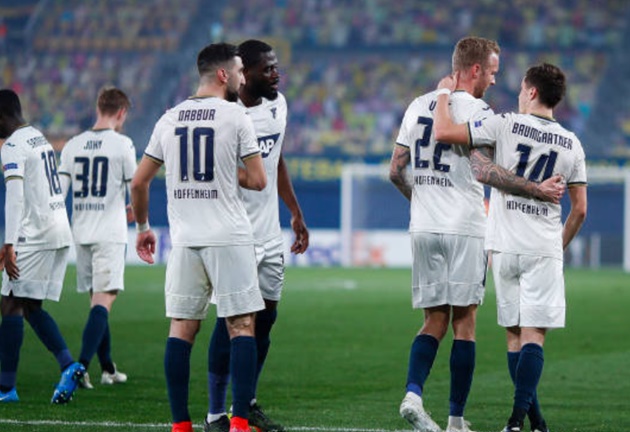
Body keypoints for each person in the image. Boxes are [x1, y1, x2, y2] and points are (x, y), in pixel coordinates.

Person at [389, 38, 565, 432]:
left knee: (433, 318)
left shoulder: (418, 104)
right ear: (473, 71)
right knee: (464, 323)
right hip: (465, 227)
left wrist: (422, 201)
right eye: (491, 72)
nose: (493, 80)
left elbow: (395, 170)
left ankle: (413, 394)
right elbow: (485, 172)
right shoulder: (478, 111)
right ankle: (454, 420)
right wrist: (537, 189)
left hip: (423, 225)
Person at [433, 63, 587, 432]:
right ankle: (518, 421)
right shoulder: (572, 143)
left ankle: (533, 421)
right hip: (542, 246)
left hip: (502, 246)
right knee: (534, 337)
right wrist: (558, 245)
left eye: (521, 87)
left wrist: (442, 94)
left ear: (532, 92)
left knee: (514, 336)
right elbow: (580, 209)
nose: (517, 92)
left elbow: (447, 133)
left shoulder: (504, 124)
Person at [130, 43, 267, 432]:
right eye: (239, 70)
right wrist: (226, 171)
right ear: (223, 74)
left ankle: (180, 425)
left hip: (185, 239)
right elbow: (257, 180)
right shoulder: (236, 117)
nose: (243, 76)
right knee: (241, 325)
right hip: (229, 235)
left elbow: (139, 182)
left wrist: (142, 228)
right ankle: (239, 422)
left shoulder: (168, 119)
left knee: (181, 329)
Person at [204, 39, 309, 432]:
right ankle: (216, 414)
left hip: (269, 233)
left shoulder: (277, 106)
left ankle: (243, 405)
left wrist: (295, 212)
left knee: (266, 319)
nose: (276, 74)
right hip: (233, 233)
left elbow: (276, 158)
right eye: (268, 69)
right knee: (230, 320)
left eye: (276, 66)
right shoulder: (222, 115)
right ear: (242, 74)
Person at [0, 89, 85, 404]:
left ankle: (6, 389)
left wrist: (8, 243)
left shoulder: (12, 146)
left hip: (34, 233)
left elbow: (16, 195)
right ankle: (68, 365)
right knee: (29, 304)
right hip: (59, 227)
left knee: (9, 302)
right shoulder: (37, 136)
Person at [59, 87, 136, 389]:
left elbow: (59, 195)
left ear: (97, 107)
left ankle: (108, 368)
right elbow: (135, 187)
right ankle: (79, 368)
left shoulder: (72, 145)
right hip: (109, 234)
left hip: (82, 233)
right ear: (121, 113)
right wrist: (140, 220)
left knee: (96, 303)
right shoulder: (123, 145)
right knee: (103, 302)